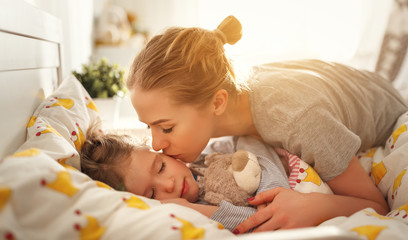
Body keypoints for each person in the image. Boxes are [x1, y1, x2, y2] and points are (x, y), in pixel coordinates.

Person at [125, 15, 408, 233]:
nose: (156, 144)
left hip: (389, 106)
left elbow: (374, 205)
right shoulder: (233, 97)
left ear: (217, 103)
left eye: (166, 127)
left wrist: (313, 206)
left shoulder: (299, 119)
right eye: (149, 126)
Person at [80, 123, 301, 231]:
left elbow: (249, 141)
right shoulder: (192, 215)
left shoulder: (206, 157)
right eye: (152, 193)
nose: (169, 184)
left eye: (161, 167)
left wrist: (271, 192)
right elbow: (256, 225)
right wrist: (192, 209)